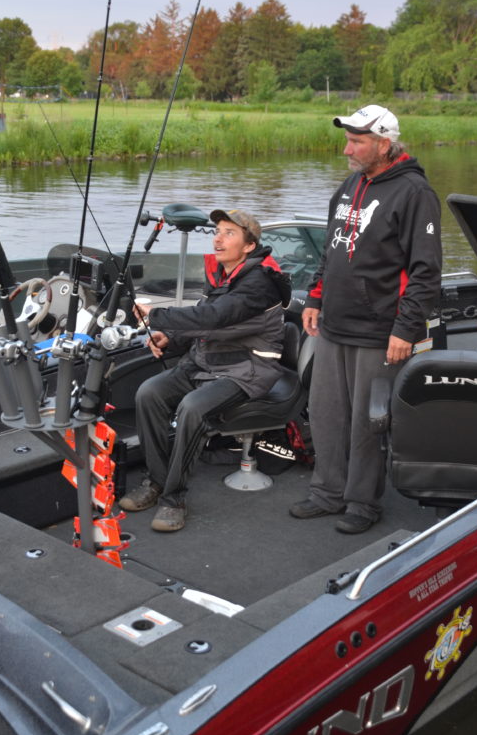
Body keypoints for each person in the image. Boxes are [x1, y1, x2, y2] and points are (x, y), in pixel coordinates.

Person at [290, 104, 442, 533]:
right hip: (334, 325)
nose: (347, 149)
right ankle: (327, 492)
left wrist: (405, 329)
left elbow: (425, 271)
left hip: (380, 331)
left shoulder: (414, 193)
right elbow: (332, 248)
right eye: (348, 140)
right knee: (325, 414)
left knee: (366, 422)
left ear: (384, 143)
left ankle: (362, 503)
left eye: (357, 141)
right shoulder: (351, 184)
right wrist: (314, 298)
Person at [119, 208, 290, 532]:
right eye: (217, 231)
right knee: (148, 393)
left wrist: (155, 314)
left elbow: (215, 317)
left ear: (249, 246)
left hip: (247, 370)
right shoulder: (225, 276)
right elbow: (207, 321)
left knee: (192, 407)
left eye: (229, 233)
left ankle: (174, 499)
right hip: (207, 362)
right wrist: (171, 339)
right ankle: (156, 480)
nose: (218, 239)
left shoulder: (259, 283)